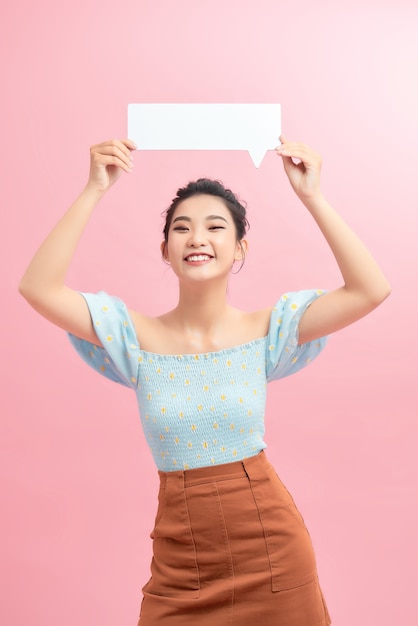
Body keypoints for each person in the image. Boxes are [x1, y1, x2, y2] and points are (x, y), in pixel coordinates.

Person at [19, 136, 391, 626]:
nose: (197, 238)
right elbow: (37, 287)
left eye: (215, 227)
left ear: (239, 247)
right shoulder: (135, 337)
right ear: (165, 249)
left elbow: (370, 289)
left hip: (270, 547)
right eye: (182, 228)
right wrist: (93, 189)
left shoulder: (269, 331)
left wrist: (312, 196)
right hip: (181, 557)